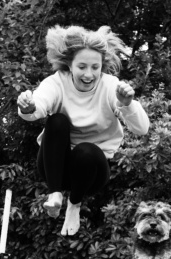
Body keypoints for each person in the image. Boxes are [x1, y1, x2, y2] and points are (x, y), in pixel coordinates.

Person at [17, 25, 150, 236]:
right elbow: (39, 104)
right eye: (82, 67)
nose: (89, 74)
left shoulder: (110, 86)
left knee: (86, 150)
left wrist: (127, 104)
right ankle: (55, 194)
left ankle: (74, 204)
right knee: (57, 121)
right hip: (54, 168)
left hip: (91, 173)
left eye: (95, 67)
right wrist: (29, 106)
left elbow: (141, 129)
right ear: (69, 65)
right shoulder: (56, 82)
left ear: (101, 67)